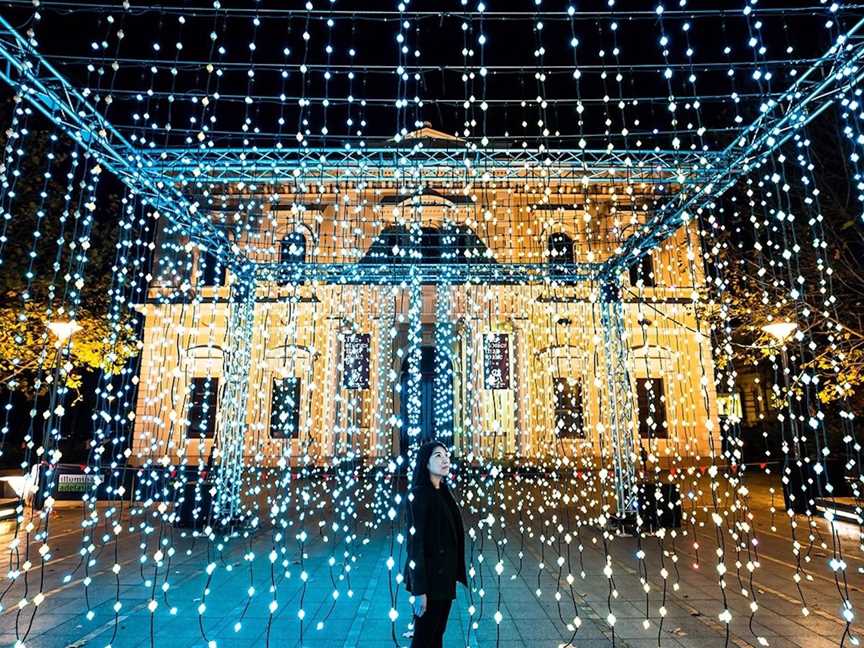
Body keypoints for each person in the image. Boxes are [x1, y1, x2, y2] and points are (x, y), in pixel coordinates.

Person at [403, 440, 467, 648]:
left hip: (444, 580)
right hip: (429, 581)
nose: (445, 459)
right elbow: (415, 545)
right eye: (438, 455)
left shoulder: (443, 492)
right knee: (424, 639)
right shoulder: (419, 494)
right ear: (425, 463)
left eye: (446, 454)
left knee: (437, 634)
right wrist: (419, 590)